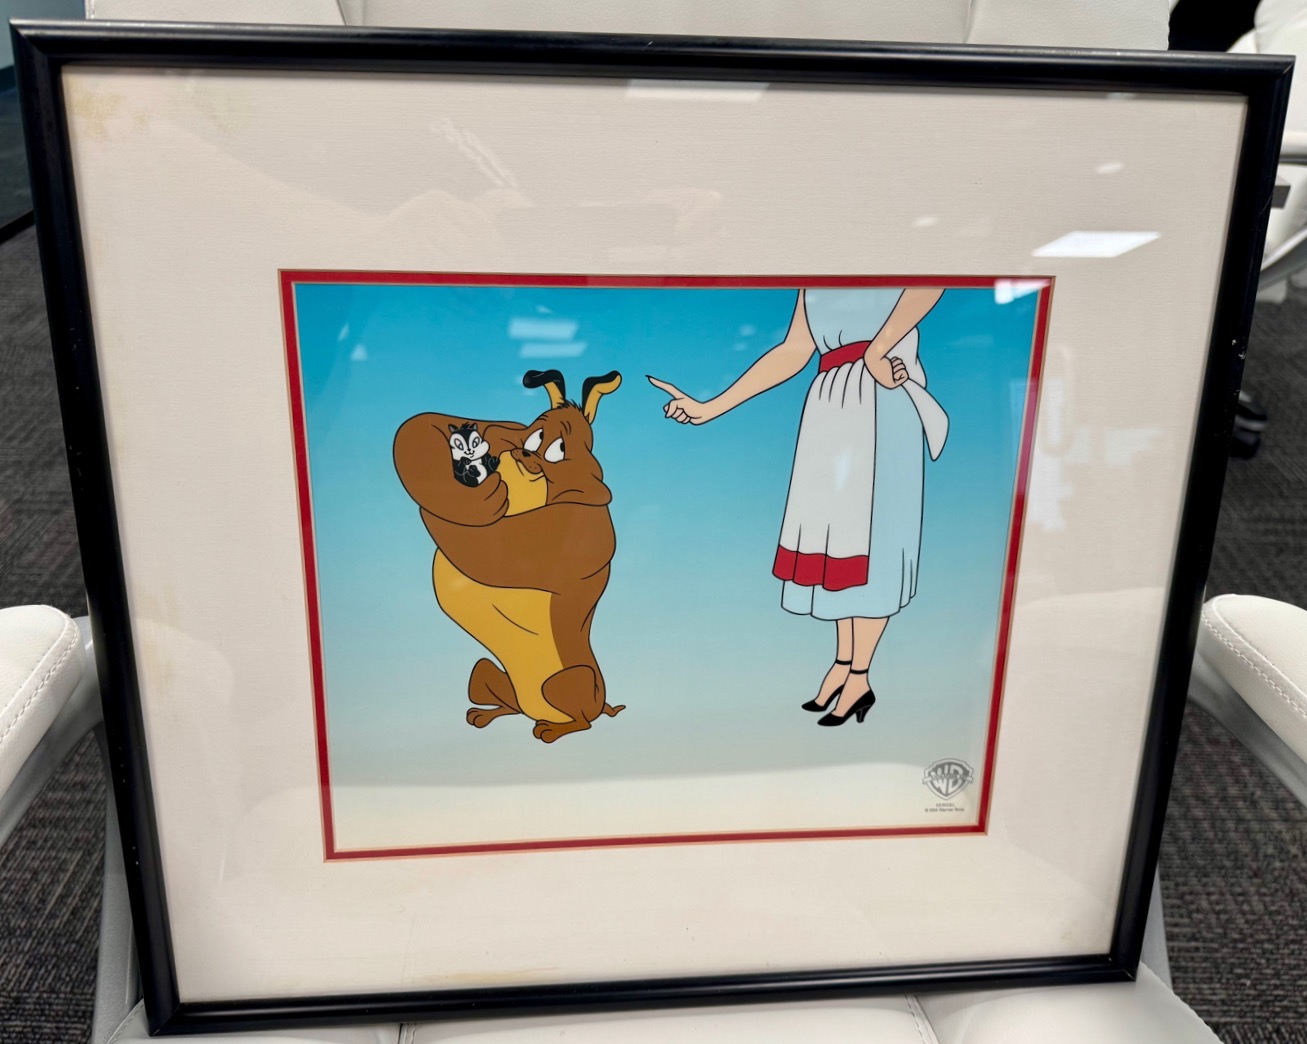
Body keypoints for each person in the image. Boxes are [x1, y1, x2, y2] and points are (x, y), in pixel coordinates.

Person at [649, 287, 948, 725]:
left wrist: (878, 349)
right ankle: (844, 664)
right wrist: (710, 408)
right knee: (839, 542)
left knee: (872, 540)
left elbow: (931, 280)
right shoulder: (815, 277)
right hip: (831, 403)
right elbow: (794, 350)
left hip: (881, 397)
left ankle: (860, 676)